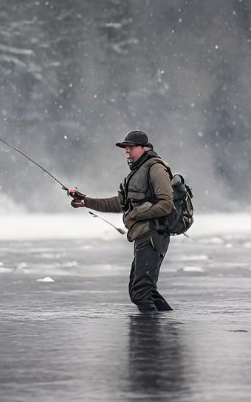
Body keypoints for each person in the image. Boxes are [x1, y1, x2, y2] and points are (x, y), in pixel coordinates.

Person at [70, 130, 175, 313]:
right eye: (125, 148)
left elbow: (166, 205)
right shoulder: (134, 174)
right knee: (143, 291)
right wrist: (86, 201)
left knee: (140, 293)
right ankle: (168, 331)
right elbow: (118, 203)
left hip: (153, 236)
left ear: (144, 148)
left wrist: (136, 215)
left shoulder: (155, 168)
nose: (127, 151)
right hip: (141, 236)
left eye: (131, 147)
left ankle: (150, 339)